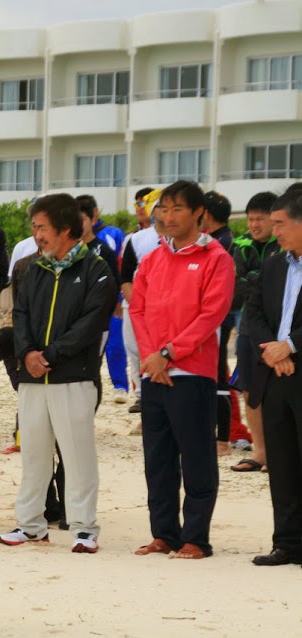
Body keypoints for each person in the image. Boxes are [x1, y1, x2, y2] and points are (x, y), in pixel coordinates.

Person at [0, 193, 117, 554]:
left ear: (66, 228)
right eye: (34, 228)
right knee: (33, 452)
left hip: (74, 377)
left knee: (77, 455)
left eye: (42, 227)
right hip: (33, 378)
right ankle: (31, 524)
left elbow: (91, 322)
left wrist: (49, 354)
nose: (36, 235)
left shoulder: (96, 269)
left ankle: (84, 527)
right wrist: (26, 353)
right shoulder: (33, 269)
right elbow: (19, 315)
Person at [129, 180, 234, 560]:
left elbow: (212, 314)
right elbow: (137, 310)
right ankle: (164, 534)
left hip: (192, 372)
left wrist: (168, 354)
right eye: (164, 209)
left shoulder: (216, 257)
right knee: (157, 457)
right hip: (152, 371)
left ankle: (196, 538)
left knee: (196, 456)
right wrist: (150, 357)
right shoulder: (153, 258)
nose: (168, 217)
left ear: (198, 214)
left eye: (177, 209)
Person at [243, 188, 302, 566]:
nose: (273, 229)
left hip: (296, 364)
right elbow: (253, 308)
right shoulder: (276, 264)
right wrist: (272, 348)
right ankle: (288, 543)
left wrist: (292, 345)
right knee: (281, 464)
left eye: (280, 223)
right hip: (276, 373)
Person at [231, 191, 280, 473]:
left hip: (279, 331)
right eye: (250, 219)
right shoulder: (241, 246)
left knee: (281, 392)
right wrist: (259, 278)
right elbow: (236, 286)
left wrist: (254, 278)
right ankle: (260, 452)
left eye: (260, 219)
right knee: (251, 390)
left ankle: (280, 453)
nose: (253, 225)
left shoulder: (285, 245)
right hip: (249, 329)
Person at [77, 194, 128, 404]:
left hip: (99, 319)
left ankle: (90, 410)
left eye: (82, 220)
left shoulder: (103, 249)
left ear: (92, 219)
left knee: (92, 366)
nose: (78, 225)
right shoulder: (69, 250)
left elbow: (115, 280)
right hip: (74, 318)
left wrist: (115, 304)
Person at [120, 189, 165, 418]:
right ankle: (143, 399)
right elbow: (125, 276)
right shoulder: (136, 240)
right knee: (136, 351)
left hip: (168, 310)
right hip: (136, 307)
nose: (164, 214)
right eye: (159, 208)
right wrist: (137, 306)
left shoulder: (186, 241)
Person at [202, 191, 239, 455]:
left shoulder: (222, 242)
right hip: (215, 317)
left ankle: (222, 439)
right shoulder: (216, 239)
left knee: (218, 376)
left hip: (218, 318)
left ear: (207, 214)